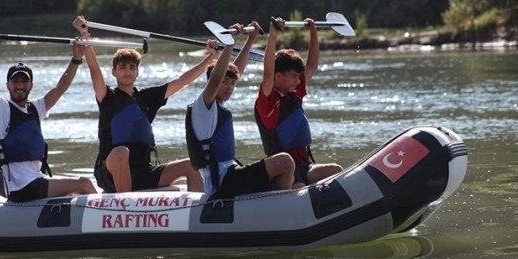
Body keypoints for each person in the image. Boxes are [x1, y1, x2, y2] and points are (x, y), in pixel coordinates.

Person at [73, 16, 208, 193]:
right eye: (122, 67)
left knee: (192, 165)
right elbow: (94, 71)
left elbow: (182, 81)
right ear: (114, 72)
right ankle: (126, 209)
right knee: (121, 152)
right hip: (111, 172)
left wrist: (210, 59)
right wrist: (85, 39)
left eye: (131, 67)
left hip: (143, 171)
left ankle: (196, 215)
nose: (127, 72)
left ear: (137, 72)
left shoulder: (146, 98)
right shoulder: (108, 97)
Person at [0, 25, 97, 202]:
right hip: (21, 188)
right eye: (15, 81)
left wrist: (76, 58)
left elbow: (60, 87)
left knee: (75, 194)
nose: (20, 86)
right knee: (84, 184)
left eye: (24, 81)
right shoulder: (0, 108)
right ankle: (111, 217)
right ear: (8, 85)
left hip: (37, 180)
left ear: (31, 85)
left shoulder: (36, 109)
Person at [186, 22, 295, 198]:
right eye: (225, 82)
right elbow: (215, 79)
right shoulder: (203, 106)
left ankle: (276, 201)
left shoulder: (219, 105)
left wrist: (250, 40)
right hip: (221, 183)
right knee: (284, 161)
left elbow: (236, 70)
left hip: (232, 174)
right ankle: (281, 205)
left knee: (283, 167)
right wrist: (229, 43)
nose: (229, 87)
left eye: (232, 83)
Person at [254, 17, 343, 188]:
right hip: (284, 171)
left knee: (335, 170)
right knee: (299, 189)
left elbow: (312, 65)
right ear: (278, 77)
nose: (298, 80)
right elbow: (268, 71)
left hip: (304, 166)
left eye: (298, 76)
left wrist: (313, 33)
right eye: (294, 76)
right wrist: (272, 37)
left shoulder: (294, 94)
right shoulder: (268, 99)